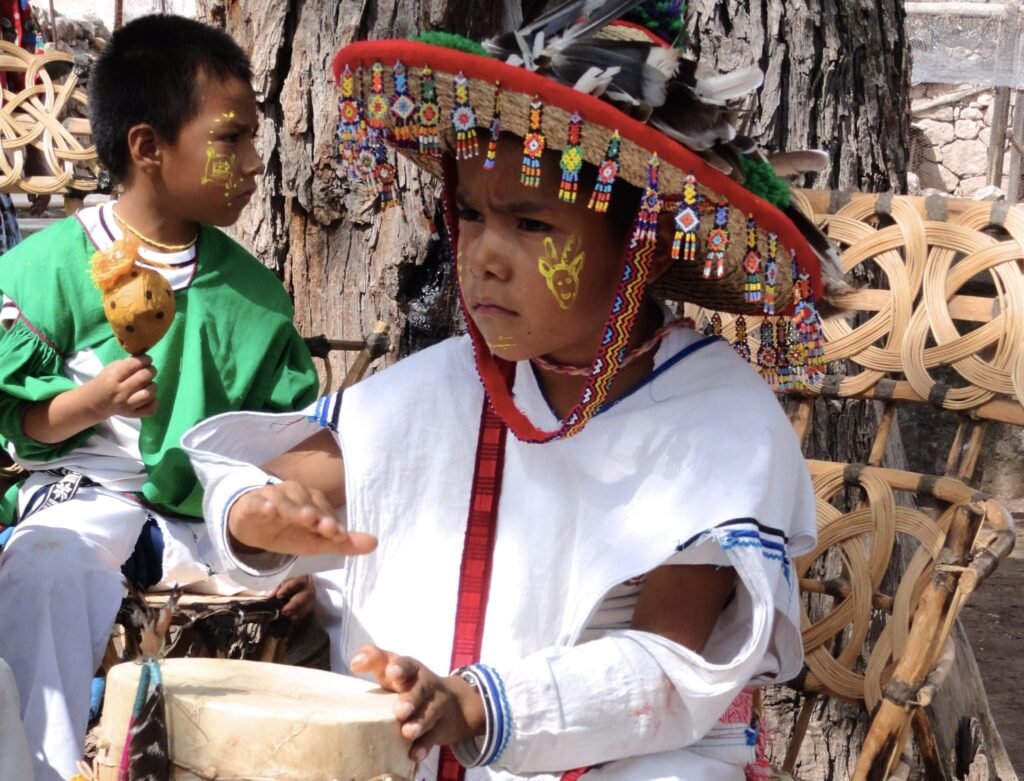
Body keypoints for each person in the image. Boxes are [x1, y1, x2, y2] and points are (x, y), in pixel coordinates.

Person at [184, 2, 834, 779]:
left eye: (530, 226)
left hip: (632, 759)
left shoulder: (717, 418)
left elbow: (664, 663)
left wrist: (479, 704)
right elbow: (282, 487)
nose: (484, 257)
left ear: (643, 248)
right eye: (469, 213)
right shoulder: (439, 386)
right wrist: (255, 516)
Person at [0, 15, 321, 780]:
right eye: (230, 140)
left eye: (253, 139)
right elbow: (20, 418)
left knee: (309, 595)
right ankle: (34, 764)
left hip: (210, 512)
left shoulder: (255, 297)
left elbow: (290, 442)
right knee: (46, 568)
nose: (253, 162)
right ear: (147, 148)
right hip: (83, 491)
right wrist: (95, 401)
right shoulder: (48, 264)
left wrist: (297, 547)